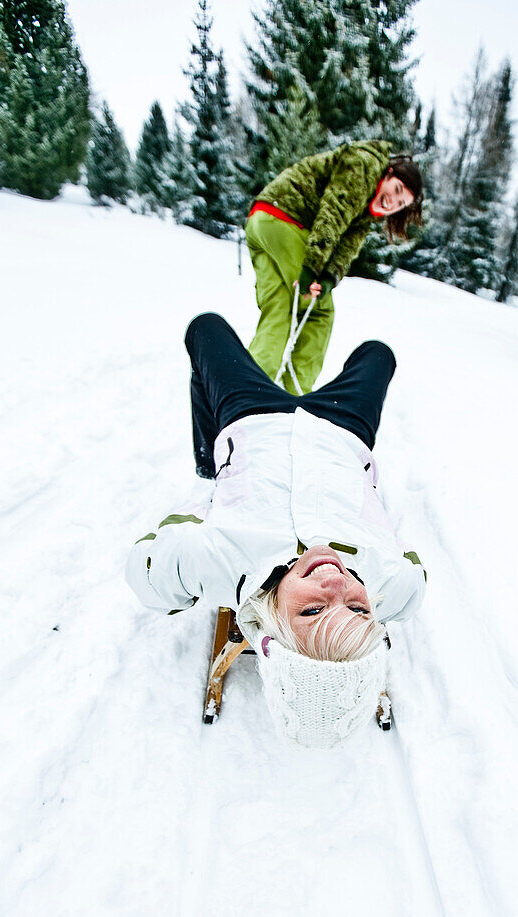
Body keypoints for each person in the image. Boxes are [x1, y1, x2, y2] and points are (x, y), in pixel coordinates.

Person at [126, 313, 427, 747]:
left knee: (205, 329)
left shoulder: (221, 563)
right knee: (378, 354)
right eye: (359, 611)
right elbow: (412, 576)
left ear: (271, 633)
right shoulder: (396, 588)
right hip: (342, 431)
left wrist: (202, 510)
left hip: (253, 418)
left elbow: (146, 572)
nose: (334, 581)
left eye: (311, 611)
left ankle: (208, 461)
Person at [246, 141, 423, 395]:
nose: (393, 201)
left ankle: (249, 391)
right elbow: (333, 214)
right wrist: (311, 269)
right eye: (396, 190)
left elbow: (349, 244)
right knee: (320, 312)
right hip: (286, 219)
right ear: (389, 173)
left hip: (261, 221)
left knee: (280, 307)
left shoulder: (367, 207)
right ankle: (295, 393)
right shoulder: (364, 166)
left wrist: (329, 278)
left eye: (401, 203)